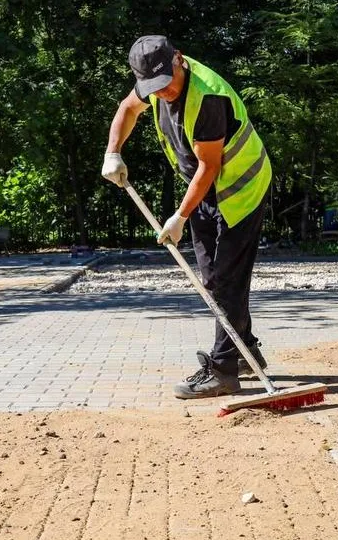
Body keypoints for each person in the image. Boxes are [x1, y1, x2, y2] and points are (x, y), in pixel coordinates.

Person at [101, 35, 272, 399]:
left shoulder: (207, 96)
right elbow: (127, 108)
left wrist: (179, 216)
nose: (162, 93)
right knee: (212, 277)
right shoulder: (153, 80)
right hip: (206, 190)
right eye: (153, 88)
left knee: (227, 278)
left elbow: (209, 166)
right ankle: (244, 350)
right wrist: (112, 152)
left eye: (166, 83)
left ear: (178, 59)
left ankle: (224, 371)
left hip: (241, 188)